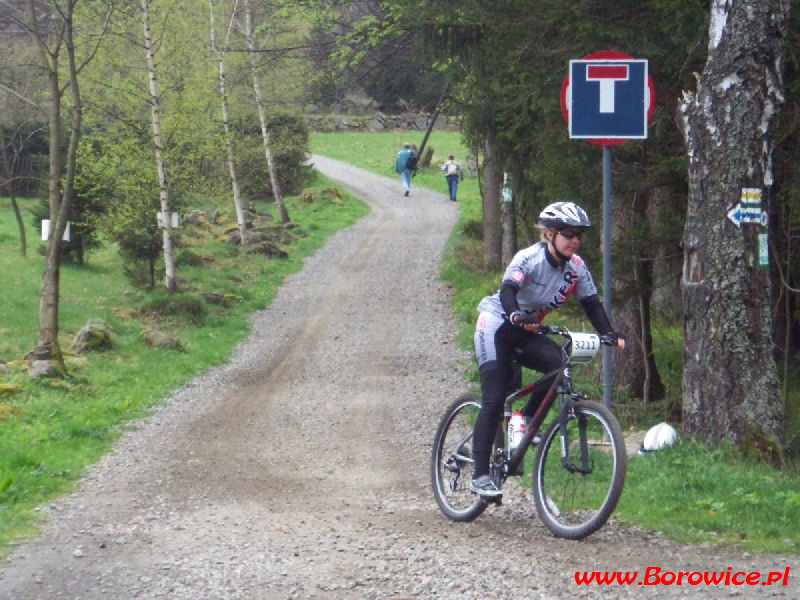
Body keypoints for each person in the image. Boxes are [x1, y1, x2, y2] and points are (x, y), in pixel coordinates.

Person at [469, 201, 626, 498]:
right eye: (569, 233)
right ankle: (479, 475)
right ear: (550, 234)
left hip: (527, 329)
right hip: (497, 324)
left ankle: (524, 421)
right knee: (495, 395)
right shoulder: (529, 258)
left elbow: (591, 303)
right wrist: (516, 314)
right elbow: (507, 291)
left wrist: (608, 333)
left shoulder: (576, 268)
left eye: (579, 234)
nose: (575, 240)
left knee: (558, 365)